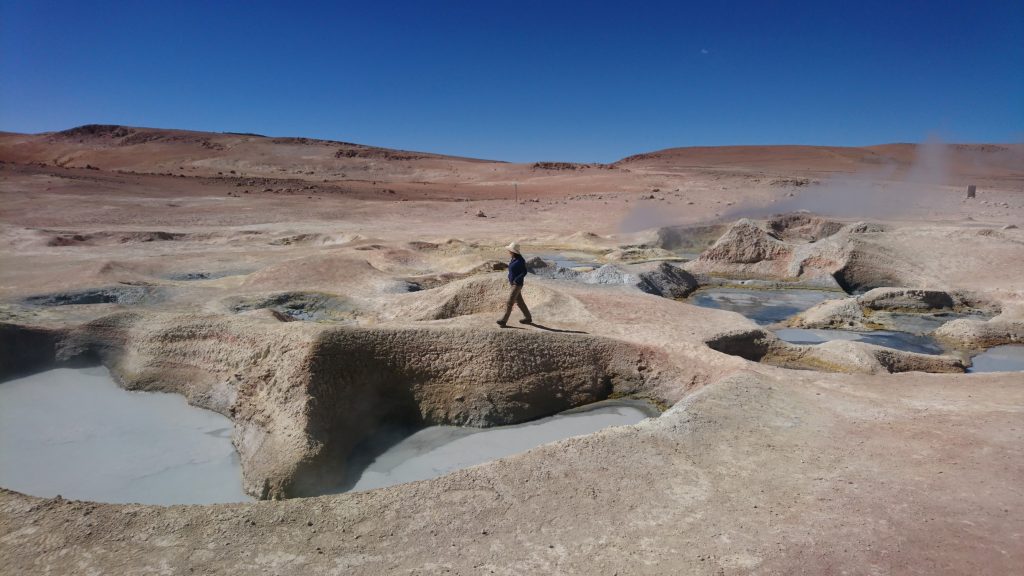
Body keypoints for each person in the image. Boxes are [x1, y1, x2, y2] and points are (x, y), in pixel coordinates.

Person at [497, 241, 532, 326]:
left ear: (513, 251)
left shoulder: (520, 260)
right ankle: (528, 318)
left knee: (510, 302)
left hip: (517, 284)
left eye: (510, 250)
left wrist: (516, 280)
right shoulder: (513, 258)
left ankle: (504, 320)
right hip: (513, 283)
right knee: (520, 302)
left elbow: (524, 272)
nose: (508, 251)